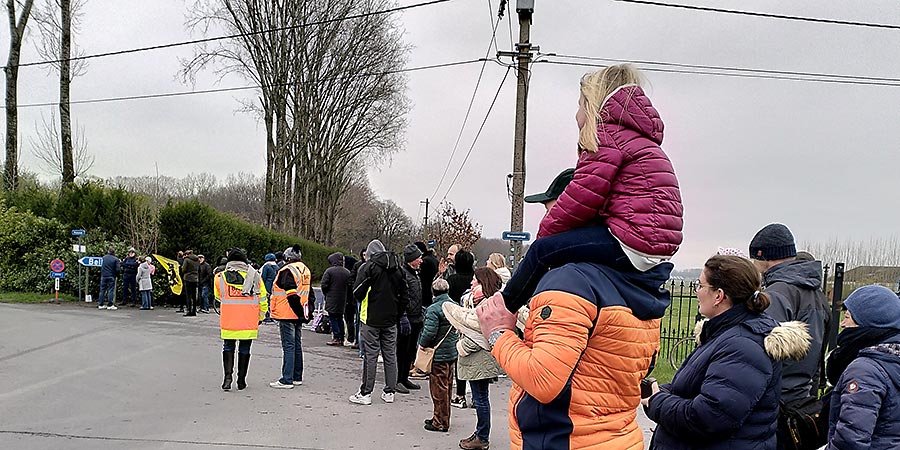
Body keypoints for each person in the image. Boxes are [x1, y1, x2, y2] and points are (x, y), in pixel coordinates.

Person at [452, 64, 684, 349]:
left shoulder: (606, 134)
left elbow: (581, 196)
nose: (576, 116)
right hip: (653, 242)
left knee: (543, 252)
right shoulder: (638, 138)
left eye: (579, 105)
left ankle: (498, 314)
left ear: (593, 105)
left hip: (633, 238)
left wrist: (546, 235)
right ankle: (523, 309)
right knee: (567, 250)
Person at [472, 248, 674, 448]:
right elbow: (639, 366)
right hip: (623, 438)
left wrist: (498, 334)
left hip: (566, 440)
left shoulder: (571, 280)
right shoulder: (641, 285)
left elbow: (542, 378)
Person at [645, 255, 810, 449]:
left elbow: (709, 417)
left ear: (719, 296)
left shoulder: (743, 345)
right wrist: (664, 391)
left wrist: (658, 402)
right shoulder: (725, 334)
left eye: (700, 285)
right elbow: (698, 388)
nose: (697, 292)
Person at [748, 223, 830, 444]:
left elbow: (759, 353)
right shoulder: (817, 294)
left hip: (776, 404)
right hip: (803, 400)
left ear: (763, 256)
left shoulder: (777, 293)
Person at [825, 285, 900, 449]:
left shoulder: (865, 370)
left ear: (868, 322)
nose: (843, 324)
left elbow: (850, 441)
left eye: (848, 317)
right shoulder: (892, 358)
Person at [450, 267, 504, 450]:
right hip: (478, 359)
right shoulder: (479, 302)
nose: (471, 283)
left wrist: (461, 347)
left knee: (480, 399)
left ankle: (482, 437)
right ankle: (480, 434)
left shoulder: (487, 305)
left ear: (484, 283)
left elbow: (480, 336)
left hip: (479, 358)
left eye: (475, 281)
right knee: (480, 398)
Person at [349, 239, 408, 405]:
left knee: (370, 356)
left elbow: (357, 292)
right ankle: (389, 391)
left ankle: (366, 393)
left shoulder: (368, 268)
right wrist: (398, 313)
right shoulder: (398, 269)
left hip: (370, 318)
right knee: (390, 355)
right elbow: (405, 295)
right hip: (391, 319)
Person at [215, 249, 268, 391]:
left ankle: (227, 378)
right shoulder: (255, 276)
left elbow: (218, 297)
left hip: (229, 319)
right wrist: (261, 316)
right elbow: (263, 299)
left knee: (228, 347)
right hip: (248, 320)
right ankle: (241, 380)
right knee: (245, 348)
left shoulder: (220, 277)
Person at [420, 278, 459, 433]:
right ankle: (441, 416)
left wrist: (422, 345)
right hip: (451, 352)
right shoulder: (454, 306)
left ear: (433, 292)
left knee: (438, 389)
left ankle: (440, 421)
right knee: (447, 387)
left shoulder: (434, 309)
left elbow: (429, 333)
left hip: (438, 354)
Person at [269, 249, 311, 389]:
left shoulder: (287, 271)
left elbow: (291, 295)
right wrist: (305, 314)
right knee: (296, 345)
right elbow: (308, 294)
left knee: (288, 346)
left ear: (287, 258)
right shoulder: (305, 269)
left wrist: (298, 312)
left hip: (287, 312)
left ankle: (286, 379)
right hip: (299, 312)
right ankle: (297, 376)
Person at [446, 249, 475, 408]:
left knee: (460, 360)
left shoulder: (452, 280)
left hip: (456, 322)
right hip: (473, 322)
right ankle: (476, 396)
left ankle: (460, 394)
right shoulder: (475, 280)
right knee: (474, 359)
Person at [397, 244, 425, 392]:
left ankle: (404, 378)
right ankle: (397, 379)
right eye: (419, 257)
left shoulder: (415, 273)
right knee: (401, 350)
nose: (421, 260)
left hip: (416, 318)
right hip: (406, 318)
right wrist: (404, 315)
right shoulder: (403, 274)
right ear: (411, 259)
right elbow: (401, 296)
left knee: (410, 351)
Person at [321, 252, 351, 346]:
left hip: (331, 298)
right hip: (343, 299)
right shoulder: (347, 272)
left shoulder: (329, 271)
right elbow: (350, 287)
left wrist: (326, 294)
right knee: (340, 318)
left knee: (333, 317)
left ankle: (336, 337)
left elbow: (324, 285)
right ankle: (341, 337)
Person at [416, 241, 439, 307]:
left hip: (426, 295)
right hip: (433, 293)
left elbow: (423, 280)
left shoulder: (424, 262)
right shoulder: (434, 259)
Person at [343, 253, 359, 346]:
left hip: (349, 299)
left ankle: (350, 338)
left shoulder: (350, 276)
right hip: (353, 299)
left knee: (349, 319)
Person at [181, 250, 201, 317]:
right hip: (195, 278)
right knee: (194, 295)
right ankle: (194, 311)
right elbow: (199, 269)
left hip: (188, 278)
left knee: (188, 296)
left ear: (187, 254)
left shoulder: (187, 260)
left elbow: (183, 269)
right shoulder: (197, 260)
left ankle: (189, 310)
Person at [260, 253, 278, 324]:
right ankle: (272, 315)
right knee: (272, 300)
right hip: (275, 286)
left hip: (267, 285)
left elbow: (263, 277)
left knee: (266, 300)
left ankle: (267, 316)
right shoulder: (277, 267)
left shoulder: (266, 266)